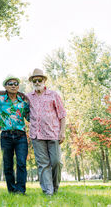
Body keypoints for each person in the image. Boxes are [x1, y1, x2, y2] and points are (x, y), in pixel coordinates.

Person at [27, 68, 66, 196]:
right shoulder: (28, 97)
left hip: (53, 133)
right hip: (36, 135)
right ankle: (48, 192)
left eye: (39, 80)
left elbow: (62, 114)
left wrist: (62, 132)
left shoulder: (53, 95)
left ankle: (55, 187)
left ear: (44, 80)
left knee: (56, 162)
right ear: (32, 82)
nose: (37, 82)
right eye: (35, 80)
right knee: (43, 165)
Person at [0, 76, 30, 194]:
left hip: (21, 136)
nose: (13, 85)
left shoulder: (23, 102)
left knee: (21, 163)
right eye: (10, 83)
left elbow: (30, 117)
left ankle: (21, 190)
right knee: (8, 165)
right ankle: (11, 190)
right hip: (6, 136)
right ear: (5, 86)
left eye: (16, 83)